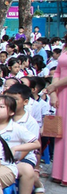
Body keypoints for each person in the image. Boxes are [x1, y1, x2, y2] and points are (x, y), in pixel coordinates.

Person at [44, 46, 67, 186]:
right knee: (60, 132)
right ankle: (59, 172)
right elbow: (58, 71)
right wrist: (53, 94)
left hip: (61, 89)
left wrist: (53, 87)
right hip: (61, 93)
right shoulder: (64, 48)